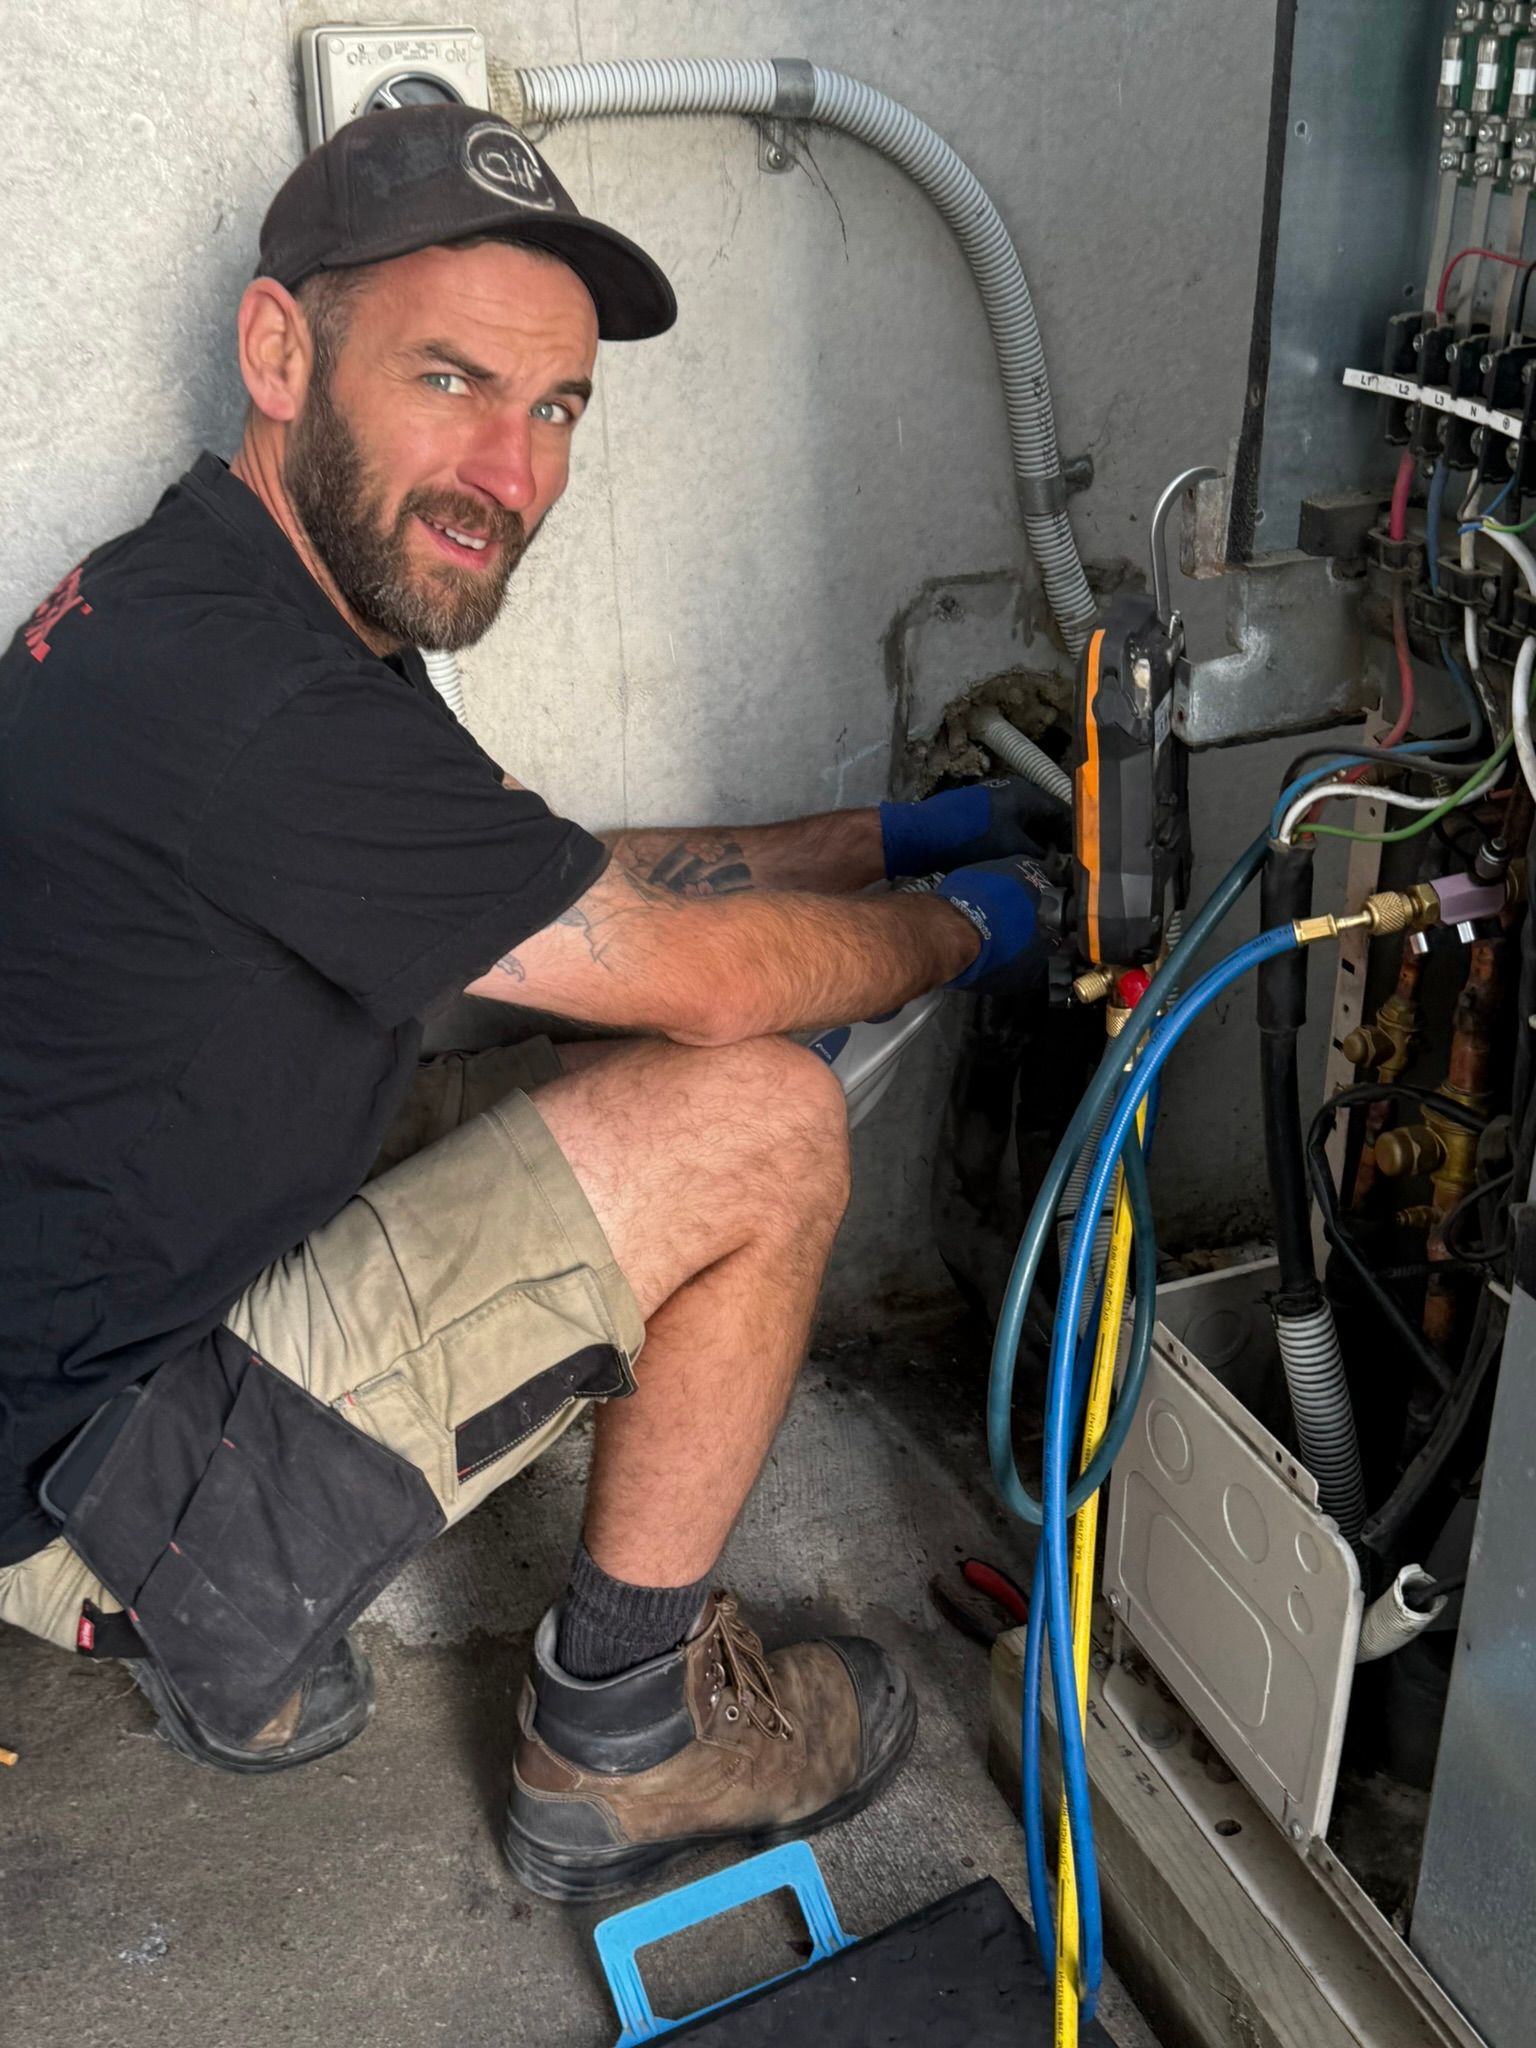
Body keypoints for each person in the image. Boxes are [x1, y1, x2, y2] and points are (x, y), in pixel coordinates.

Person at [0, 104, 1063, 1900]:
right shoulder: (266, 705)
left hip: (83, 1332)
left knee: (609, 1036)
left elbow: (561, 878)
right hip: (91, 1472)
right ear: (280, 351)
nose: (511, 467)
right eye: (451, 380)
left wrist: (885, 830)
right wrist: (979, 918)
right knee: (755, 1116)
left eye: (556, 406)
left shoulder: (215, 596)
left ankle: (220, 1588)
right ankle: (619, 1746)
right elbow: (699, 970)